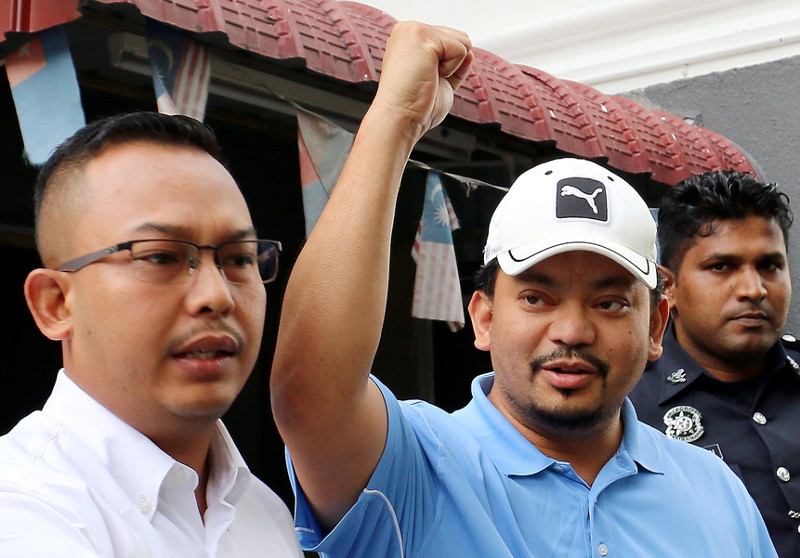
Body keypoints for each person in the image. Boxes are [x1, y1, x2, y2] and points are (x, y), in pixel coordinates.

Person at [269, 21, 777, 558]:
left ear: (654, 326)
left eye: (609, 302)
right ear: (483, 317)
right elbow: (311, 391)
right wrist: (394, 121)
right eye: (537, 297)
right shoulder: (414, 467)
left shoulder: (716, 492)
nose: (573, 331)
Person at [0, 111, 303, 557]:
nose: (217, 296)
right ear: (56, 304)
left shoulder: (265, 516)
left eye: (238, 258)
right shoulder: (23, 507)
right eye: (161, 257)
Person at [630, 170, 800, 557]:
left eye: (770, 266)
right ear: (668, 287)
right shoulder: (627, 412)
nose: (753, 289)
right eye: (722, 267)